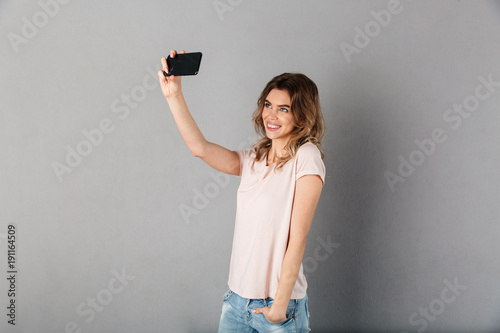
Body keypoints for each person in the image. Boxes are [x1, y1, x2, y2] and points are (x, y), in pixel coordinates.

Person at [158, 50, 326, 333]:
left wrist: (279, 308)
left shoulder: (306, 157)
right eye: (268, 105)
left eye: (283, 109)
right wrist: (174, 95)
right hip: (236, 303)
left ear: (302, 116)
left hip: (278, 306)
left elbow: (298, 239)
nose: (271, 115)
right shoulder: (253, 161)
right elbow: (199, 148)